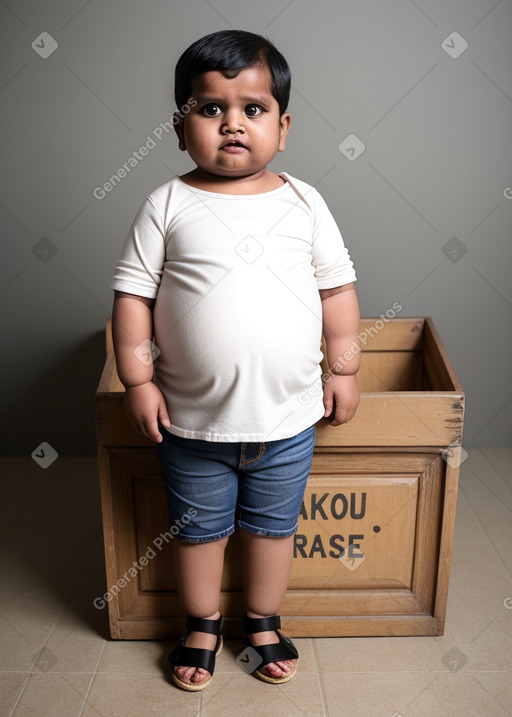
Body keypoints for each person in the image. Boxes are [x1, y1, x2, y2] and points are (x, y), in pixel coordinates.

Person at [110, 29, 360, 692]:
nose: (231, 125)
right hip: (191, 424)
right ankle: (201, 621)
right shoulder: (167, 204)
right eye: (209, 108)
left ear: (283, 125)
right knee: (197, 533)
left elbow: (337, 291)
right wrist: (137, 378)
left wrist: (345, 367)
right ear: (179, 125)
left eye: (252, 109)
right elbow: (132, 297)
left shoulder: (305, 203)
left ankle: (261, 617)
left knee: (274, 530)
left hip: (287, 421)